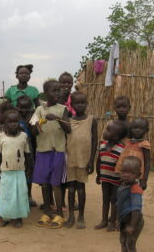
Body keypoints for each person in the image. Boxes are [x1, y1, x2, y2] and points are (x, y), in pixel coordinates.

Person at [31, 79, 71, 229]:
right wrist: (40, 122)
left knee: (56, 184)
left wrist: (58, 119)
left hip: (57, 151)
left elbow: (68, 129)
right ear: (45, 93)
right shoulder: (39, 110)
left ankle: (59, 213)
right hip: (42, 151)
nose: (57, 93)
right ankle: (47, 211)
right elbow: (33, 131)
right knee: (45, 184)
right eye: (54, 91)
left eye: (59, 90)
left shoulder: (63, 109)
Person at [64, 92, 98, 229]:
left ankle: (81, 215)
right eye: (77, 103)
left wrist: (91, 161)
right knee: (70, 189)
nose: (80, 105)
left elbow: (94, 140)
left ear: (87, 103)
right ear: (71, 105)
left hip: (84, 160)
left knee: (81, 188)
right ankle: (71, 215)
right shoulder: (68, 121)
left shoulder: (91, 120)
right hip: (70, 159)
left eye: (83, 102)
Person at [0, 110, 33, 228]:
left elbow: (27, 154)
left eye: (16, 121)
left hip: (19, 171)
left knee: (19, 195)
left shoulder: (23, 136)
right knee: (6, 195)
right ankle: (6, 217)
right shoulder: (1, 137)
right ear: (5, 123)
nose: (13, 124)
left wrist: (28, 169)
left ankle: (18, 217)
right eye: (10, 121)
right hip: (6, 171)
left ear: (19, 123)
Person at [95, 120, 127, 231]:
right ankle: (104, 221)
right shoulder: (102, 145)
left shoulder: (121, 148)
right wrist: (98, 175)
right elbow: (99, 161)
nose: (105, 132)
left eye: (108, 131)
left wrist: (123, 178)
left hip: (116, 179)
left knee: (114, 199)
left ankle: (112, 222)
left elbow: (123, 165)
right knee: (105, 199)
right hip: (105, 178)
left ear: (116, 136)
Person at [117, 156, 144, 252]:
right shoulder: (122, 186)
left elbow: (136, 210)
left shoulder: (135, 190)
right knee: (123, 240)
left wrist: (132, 225)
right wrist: (118, 220)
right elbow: (119, 205)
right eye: (124, 171)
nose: (126, 175)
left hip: (134, 221)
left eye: (131, 173)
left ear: (138, 175)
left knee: (130, 243)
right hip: (124, 220)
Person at [116, 117, 151, 190]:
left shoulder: (144, 144)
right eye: (135, 128)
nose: (138, 130)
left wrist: (144, 180)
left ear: (146, 130)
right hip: (124, 176)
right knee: (123, 194)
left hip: (136, 177)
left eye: (141, 129)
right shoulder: (127, 142)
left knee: (135, 195)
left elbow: (147, 162)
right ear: (131, 129)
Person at [16, 95, 37, 207]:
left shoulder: (33, 118)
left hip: (30, 150)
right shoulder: (14, 118)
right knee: (17, 173)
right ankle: (19, 197)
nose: (23, 110)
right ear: (16, 107)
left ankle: (29, 196)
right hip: (16, 152)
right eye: (21, 107)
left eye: (26, 108)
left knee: (29, 173)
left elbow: (35, 134)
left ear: (30, 108)